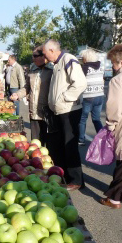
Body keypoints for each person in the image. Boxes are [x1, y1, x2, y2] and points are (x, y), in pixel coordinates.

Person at [42, 38, 87, 190]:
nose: (44, 57)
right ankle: (65, 176)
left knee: (70, 146)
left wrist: (64, 98)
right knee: (59, 145)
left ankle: (77, 180)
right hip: (59, 111)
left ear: (52, 50)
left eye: (45, 54)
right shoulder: (56, 64)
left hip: (69, 111)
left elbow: (80, 83)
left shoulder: (68, 59)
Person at [101, 44, 122, 209]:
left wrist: (110, 126)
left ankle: (114, 198)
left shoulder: (119, 80)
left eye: (113, 63)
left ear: (121, 62)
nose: (112, 67)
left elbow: (114, 108)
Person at [10, 46, 53, 145]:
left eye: (35, 56)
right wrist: (18, 94)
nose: (33, 58)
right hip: (34, 111)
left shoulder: (52, 69)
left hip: (48, 112)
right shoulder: (32, 69)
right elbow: (27, 87)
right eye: (32, 56)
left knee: (49, 143)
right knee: (35, 142)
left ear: (43, 56)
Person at [78, 48, 105, 145]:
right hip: (100, 96)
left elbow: (80, 81)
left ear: (86, 58)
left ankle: (81, 139)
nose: (82, 59)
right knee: (96, 119)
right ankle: (103, 139)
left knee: (82, 119)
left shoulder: (85, 68)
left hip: (88, 96)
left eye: (83, 58)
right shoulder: (100, 67)